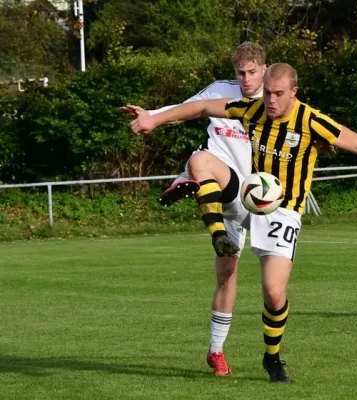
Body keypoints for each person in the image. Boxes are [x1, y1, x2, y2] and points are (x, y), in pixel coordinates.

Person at [130, 62, 357, 383]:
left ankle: (272, 357)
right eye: (267, 92)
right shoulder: (252, 109)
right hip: (250, 194)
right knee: (200, 160)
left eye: (278, 94)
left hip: (283, 210)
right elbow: (200, 107)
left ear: (294, 92)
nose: (271, 100)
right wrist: (154, 118)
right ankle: (218, 231)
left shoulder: (311, 120)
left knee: (274, 292)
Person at [121, 42, 267, 377]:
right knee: (201, 159)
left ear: (263, 68)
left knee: (240, 280)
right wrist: (152, 117)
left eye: (251, 72)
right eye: (240, 73)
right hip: (219, 186)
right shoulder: (221, 92)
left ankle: (185, 182)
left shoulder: (274, 101)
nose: (245, 79)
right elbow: (187, 108)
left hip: (252, 197)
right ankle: (217, 352)